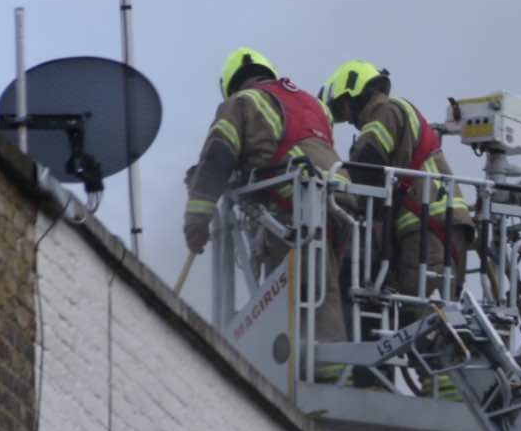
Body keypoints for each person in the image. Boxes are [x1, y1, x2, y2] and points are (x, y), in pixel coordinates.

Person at [184, 47, 348, 343]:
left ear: (232, 84)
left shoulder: (242, 101)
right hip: (342, 200)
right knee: (328, 283)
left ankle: (312, 362)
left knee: (286, 292)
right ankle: (337, 361)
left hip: (290, 203)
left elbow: (219, 154)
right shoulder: (313, 103)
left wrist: (196, 219)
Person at [319, 60, 474, 302]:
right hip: (438, 224)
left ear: (356, 93)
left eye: (345, 109)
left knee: (422, 315)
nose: (349, 120)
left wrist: (329, 190)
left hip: (426, 226)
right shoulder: (396, 110)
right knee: (433, 312)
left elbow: (366, 162)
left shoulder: (386, 110)